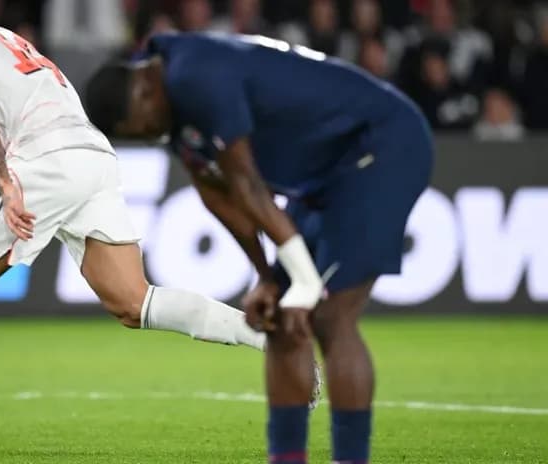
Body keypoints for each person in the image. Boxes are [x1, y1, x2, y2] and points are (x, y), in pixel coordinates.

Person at [0, 2, 291, 463]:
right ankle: (265, 337)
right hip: (92, 154)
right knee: (133, 301)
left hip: (40, 159)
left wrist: (5, 178)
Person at [84, 32, 434, 464]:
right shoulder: (167, 94)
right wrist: (267, 278)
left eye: (144, 126)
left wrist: (303, 281)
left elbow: (246, 182)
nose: (153, 133)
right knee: (280, 320)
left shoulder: (194, 73)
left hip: (381, 145)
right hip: (325, 172)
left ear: (144, 90)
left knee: (329, 316)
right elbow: (218, 194)